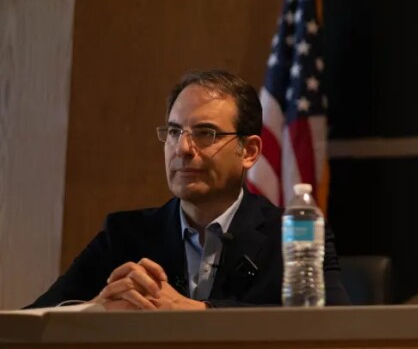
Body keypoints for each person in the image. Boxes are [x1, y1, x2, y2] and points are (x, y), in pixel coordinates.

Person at [29, 69, 349, 309]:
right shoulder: (124, 236)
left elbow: (335, 328)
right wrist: (94, 311)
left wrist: (199, 312)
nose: (182, 148)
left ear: (249, 151)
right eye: (173, 131)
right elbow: (31, 320)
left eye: (205, 133)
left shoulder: (292, 234)